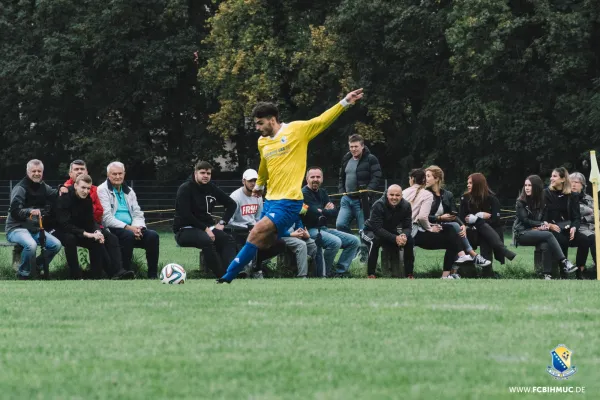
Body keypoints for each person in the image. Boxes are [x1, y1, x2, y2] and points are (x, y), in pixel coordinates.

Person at [219, 88, 364, 283]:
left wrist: (345, 102)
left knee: (254, 233)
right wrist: (260, 185)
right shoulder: (262, 142)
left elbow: (322, 120)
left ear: (272, 119)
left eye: (260, 123)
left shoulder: (296, 130)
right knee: (263, 241)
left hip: (289, 201)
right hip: (271, 201)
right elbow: (264, 164)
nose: (257, 127)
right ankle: (254, 268)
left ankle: (227, 276)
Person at [54, 175, 134, 280]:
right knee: (71, 239)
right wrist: (87, 234)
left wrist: (97, 231)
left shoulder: (87, 199)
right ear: (76, 185)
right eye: (83, 188)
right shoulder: (64, 197)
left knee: (110, 237)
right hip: (61, 230)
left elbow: (91, 221)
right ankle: (76, 276)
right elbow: (65, 225)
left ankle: (115, 272)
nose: (86, 191)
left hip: (79, 229)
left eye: (88, 188)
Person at [173, 161, 238, 278]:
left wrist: (222, 223)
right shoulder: (185, 188)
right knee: (206, 240)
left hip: (207, 228)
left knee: (228, 240)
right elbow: (185, 214)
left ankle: (232, 272)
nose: (205, 176)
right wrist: (205, 229)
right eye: (202, 172)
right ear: (195, 173)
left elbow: (232, 204)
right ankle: (222, 275)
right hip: (184, 230)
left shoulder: (211, 188)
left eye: (208, 173)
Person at [97, 161, 160, 278]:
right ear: (108, 175)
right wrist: (129, 228)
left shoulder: (129, 191)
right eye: (114, 174)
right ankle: (125, 272)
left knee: (153, 236)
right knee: (128, 236)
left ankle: (152, 275)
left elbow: (137, 213)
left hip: (132, 228)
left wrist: (138, 228)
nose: (117, 177)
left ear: (124, 174)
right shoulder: (102, 190)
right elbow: (106, 218)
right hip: (113, 228)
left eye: (120, 173)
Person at [5, 159, 62, 280]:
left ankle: (35, 267)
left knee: (56, 245)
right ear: (27, 172)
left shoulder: (43, 186)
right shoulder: (20, 188)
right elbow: (14, 211)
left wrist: (62, 188)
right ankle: (23, 274)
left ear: (42, 172)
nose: (37, 173)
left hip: (33, 228)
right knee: (31, 245)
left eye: (39, 171)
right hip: (16, 228)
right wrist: (29, 211)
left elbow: (55, 195)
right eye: (34, 171)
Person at [402, 169, 464, 279]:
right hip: (414, 233)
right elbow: (422, 217)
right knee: (452, 237)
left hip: (403, 231)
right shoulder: (427, 194)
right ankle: (449, 272)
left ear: (412, 179)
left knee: (451, 231)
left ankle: (461, 257)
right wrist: (430, 228)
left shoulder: (404, 192)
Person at [425, 166, 491, 268]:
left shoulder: (448, 194)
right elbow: (422, 216)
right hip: (429, 225)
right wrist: (439, 218)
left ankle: (452, 272)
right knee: (454, 231)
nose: (425, 179)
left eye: (428, 176)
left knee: (456, 230)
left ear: (437, 178)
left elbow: (454, 214)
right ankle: (473, 256)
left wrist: (463, 225)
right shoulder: (424, 194)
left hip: (446, 226)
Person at [512, 175, 575, 279]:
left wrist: (542, 226)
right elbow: (525, 221)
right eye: (526, 185)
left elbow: (544, 220)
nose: (527, 188)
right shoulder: (520, 202)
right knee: (549, 235)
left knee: (545, 244)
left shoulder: (543, 202)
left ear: (536, 187)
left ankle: (547, 275)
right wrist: (541, 225)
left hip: (537, 232)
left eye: (530, 185)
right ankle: (564, 262)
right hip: (521, 233)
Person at [228, 168, 286, 279]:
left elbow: (259, 217)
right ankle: (255, 268)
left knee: (280, 243)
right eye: (250, 181)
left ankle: (255, 265)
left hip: (254, 229)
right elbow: (229, 221)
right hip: (238, 231)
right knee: (253, 243)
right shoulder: (235, 197)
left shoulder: (258, 196)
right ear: (243, 181)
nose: (253, 183)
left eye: (255, 180)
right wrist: (246, 227)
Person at [302, 167, 360, 277]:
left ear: (322, 179)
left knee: (354, 241)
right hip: (309, 230)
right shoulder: (303, 193)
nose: (315, 179)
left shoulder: (323, 192)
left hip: (324, 228)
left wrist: (322, 211)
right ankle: (324, 273)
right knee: (335, 242)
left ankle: (340, 272)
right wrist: (324, 210)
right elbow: (313, 212)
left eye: (318, 177)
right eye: (312, 177)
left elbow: (334, 212)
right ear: (307, 179)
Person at [336, 134, 382, 261]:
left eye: (356, 146)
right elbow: (341, 177)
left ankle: (365, 259)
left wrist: (367, 194)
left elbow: (376, 177)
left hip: (362, 201)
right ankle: (355, 245)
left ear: (362, 146)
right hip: (346, 199)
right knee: (340, 224)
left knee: (364, 230)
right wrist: (342, 192)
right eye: (351, 146)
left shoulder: (371, 159)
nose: (353, 149)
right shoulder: (346, 158)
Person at [459, 173, 517, 273]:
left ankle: (486, 272)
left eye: (471, 183)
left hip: (489, 233)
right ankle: (468, 272)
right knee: (468, 236)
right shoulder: (465, 199)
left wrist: (477, 219)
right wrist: (479, 216)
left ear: (478, 184)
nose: (468, 185)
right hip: (470, 232)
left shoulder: (492, 199)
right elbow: (461, 219)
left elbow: (496, 221)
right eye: (467, 183)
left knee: (485, 237)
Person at [361, 184, 414, 278]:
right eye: (391, 195)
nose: (394, 197)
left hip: (388, 231)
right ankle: (371, 274)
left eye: (397, 195)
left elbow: (408, 227)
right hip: (370, 230)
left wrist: (404, 236)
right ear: (387, 195)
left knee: (410, 240)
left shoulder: (406, 206)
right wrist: (395, 238)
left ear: (401, 196)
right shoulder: (378, 205)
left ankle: (409, 274)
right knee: (375, 241)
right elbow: (377, 229)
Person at [543, 167, 585, 278]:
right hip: (553, 228)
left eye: (554, 176)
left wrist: (574, 228)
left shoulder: (573, 195)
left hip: (568, 228)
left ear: (562, 179)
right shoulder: (546, 194)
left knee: (585, 240)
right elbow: (542, 216)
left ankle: (579, 272)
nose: (551, 178)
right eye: (551, 176)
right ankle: (564, 271)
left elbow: (576, 217)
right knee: (562, 239)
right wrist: (550, 225)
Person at [570, 172, 596, 279]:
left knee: (595, 237)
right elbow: (575, 214)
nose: (574, 185)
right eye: (571, 182)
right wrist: (590, 212)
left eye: (576, 182)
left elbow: (597, 214)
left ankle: (596, 267)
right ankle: (581, 269)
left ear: (582, 185)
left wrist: (588, 216)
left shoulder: (588, 198)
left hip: (591, 227)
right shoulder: (567, 197)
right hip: (577, 228)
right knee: (592, 238)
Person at [60, 159, 104, 224]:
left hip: (94, 225)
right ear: (70, 174)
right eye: (76, 169)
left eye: (82, 169)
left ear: (86, 172)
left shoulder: (95, 189)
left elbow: (100, 211)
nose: (80, 171)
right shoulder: (64, 189)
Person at [280, 214, 318, 279]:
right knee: (301, 244)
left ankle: (312, 274)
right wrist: (290, 234)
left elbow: (299, 226)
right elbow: (276, 230)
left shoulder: (294, 211)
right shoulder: (280, 210)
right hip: (281, 236)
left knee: (312, 244)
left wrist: (304, 234)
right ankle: (302, 276)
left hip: (294, 236)